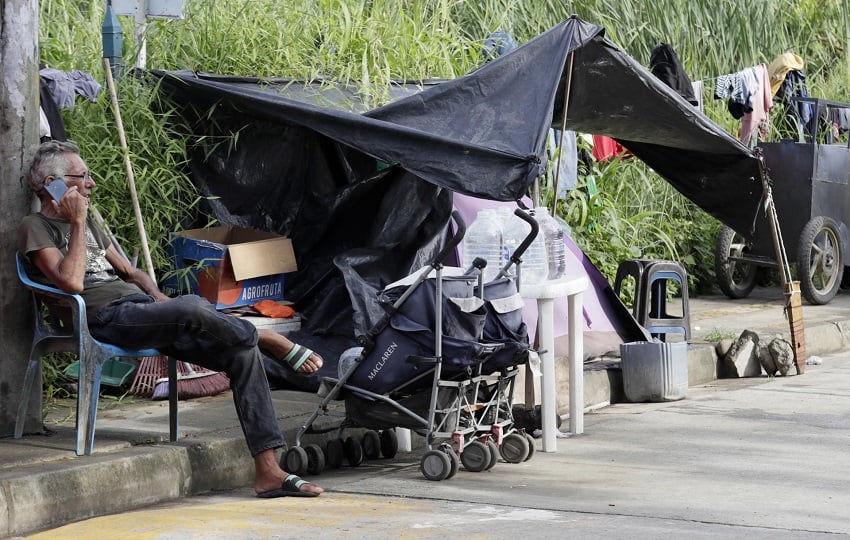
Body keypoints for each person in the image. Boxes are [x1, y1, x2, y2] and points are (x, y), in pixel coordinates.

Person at [17, 140, 324, 498]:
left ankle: (268, 471)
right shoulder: (35, 226)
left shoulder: (92, 224)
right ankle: (266, 337)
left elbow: (132, 273)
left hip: (142, 312)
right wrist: (78, 221)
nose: (91, 183)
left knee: (241, 355)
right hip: (103, 317)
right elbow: (70, 282)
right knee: (193, 306)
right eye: (82, 176)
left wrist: (159, 299)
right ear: (54, 183)